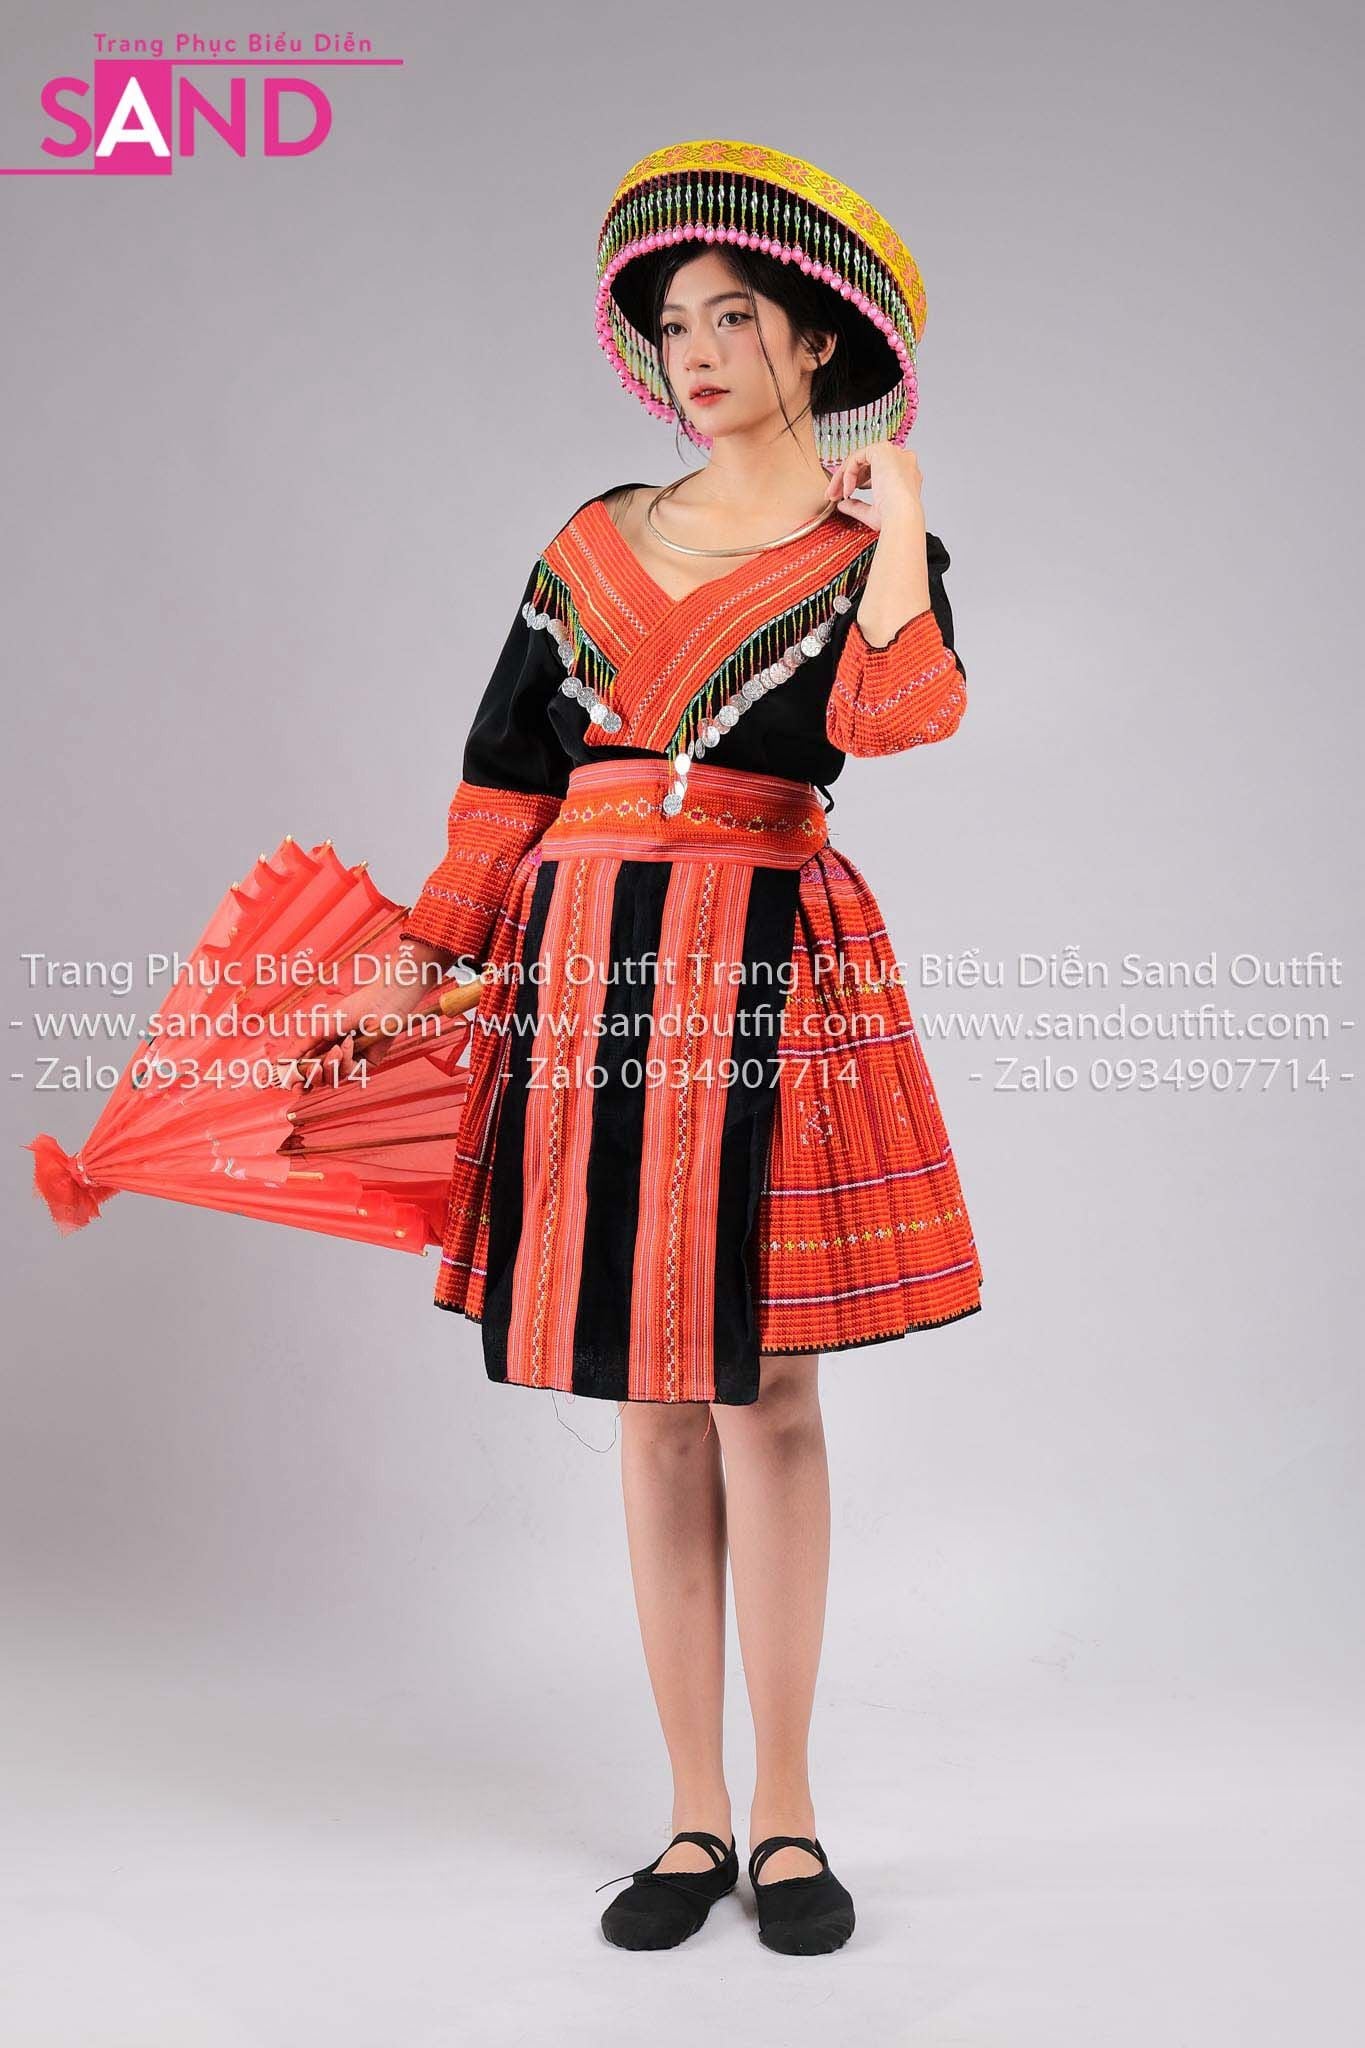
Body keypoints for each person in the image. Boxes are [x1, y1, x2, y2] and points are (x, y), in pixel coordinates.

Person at [306, 139, 983, 1955]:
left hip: (762, 960)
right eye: (675, 323)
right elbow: (500, 789)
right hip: (588, 964)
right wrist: (422, 962)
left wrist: (899, 512)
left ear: (815, 342)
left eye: (733, 317)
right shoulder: (590, 544)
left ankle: (788, 1816)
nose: (696, 351)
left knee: (768, 1388)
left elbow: (903, 715)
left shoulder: (864, 551)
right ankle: (689, 1815)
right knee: (653, 1398)